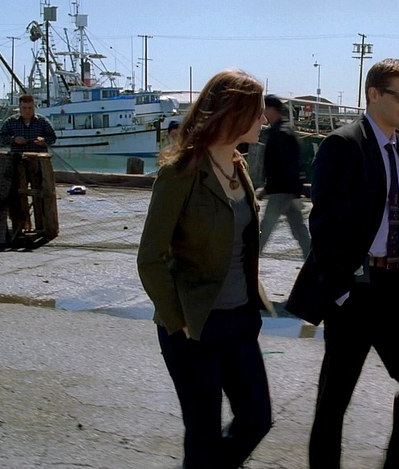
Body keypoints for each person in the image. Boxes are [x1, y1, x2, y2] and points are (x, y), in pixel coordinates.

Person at [285, 58, 399, 469]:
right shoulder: (344, 144)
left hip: (398, 290)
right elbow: (323, 224)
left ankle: (396, 462)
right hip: (356, 290)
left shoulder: (397, 147)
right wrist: (340, 291)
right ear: (374, 94)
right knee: (334, 399)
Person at [137, 69, 272, 469]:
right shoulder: (180, 172)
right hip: (194, 325)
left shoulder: (239, 166)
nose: (263, 119)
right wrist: (177, 321)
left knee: (256, 419)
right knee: (203, 436)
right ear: (233, 113)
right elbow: (150, 257)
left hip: (239, 320)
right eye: (257, 111)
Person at [258, 94, 311, 258]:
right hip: (286, 191)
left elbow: (286, 166)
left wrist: (268, 188)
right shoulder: (286, 131)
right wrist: (296, 193)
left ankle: (248, 262)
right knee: (299, 230)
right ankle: (313, 260)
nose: (263, 113)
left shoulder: (280, 134)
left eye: (265, 108)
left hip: (280, 192)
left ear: (272, 109)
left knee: (264, 230)